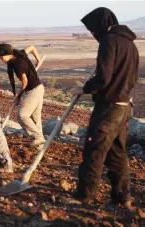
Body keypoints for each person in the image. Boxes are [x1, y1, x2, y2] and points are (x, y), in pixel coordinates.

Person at [72, 7, 139, 208]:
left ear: (101, 25)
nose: (93, 35)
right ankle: (122, 197)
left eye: (92, 30)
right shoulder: (130, 44)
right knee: (117, 153)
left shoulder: (109, 41)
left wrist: (84, 89)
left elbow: (103, 78)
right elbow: (132, 78)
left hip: (109, 108)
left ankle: (85, 195)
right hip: (124, 106)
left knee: (94, 149)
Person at [0, 44, 45, 147]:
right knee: (35, 118)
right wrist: (38, 60)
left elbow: (25, 83)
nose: (1, 59)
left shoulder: (18, 64)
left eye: (1, 57)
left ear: (8, 54)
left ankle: (37, 136)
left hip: (34, 90)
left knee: (22, 115)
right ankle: (39, 145)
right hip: (39, 88)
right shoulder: (19, 54)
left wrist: (18, 97)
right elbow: (31, 47)